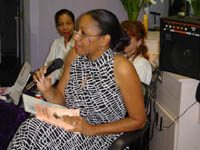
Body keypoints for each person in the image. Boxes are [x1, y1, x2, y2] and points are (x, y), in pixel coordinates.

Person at [8, 9, 146, 150]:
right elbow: (61, 98)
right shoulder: (75, 56)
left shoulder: (122, 68)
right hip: (71, 125)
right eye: (77, 31)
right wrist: (47, 90)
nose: (76, 37)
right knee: (31, 127)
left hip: (101, 136)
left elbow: (138, 120)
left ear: (104, 39)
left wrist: (91, 129)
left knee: (35, 132)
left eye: (83, 33)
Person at [44, 9, 75, 85]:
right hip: (56, 83)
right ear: (57, 27)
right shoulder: (56, 43)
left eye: (68, 23)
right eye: (60, 24)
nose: (65, 28)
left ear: (74, 24)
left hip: (74, 85)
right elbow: (48, 66)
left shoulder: (81, 42)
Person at [121, 20, 152, 85]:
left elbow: (134, 92)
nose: (123, 41)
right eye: (122, 37)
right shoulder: (124, 57)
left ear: (139, 42)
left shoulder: (141, 64)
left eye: (128, 38)